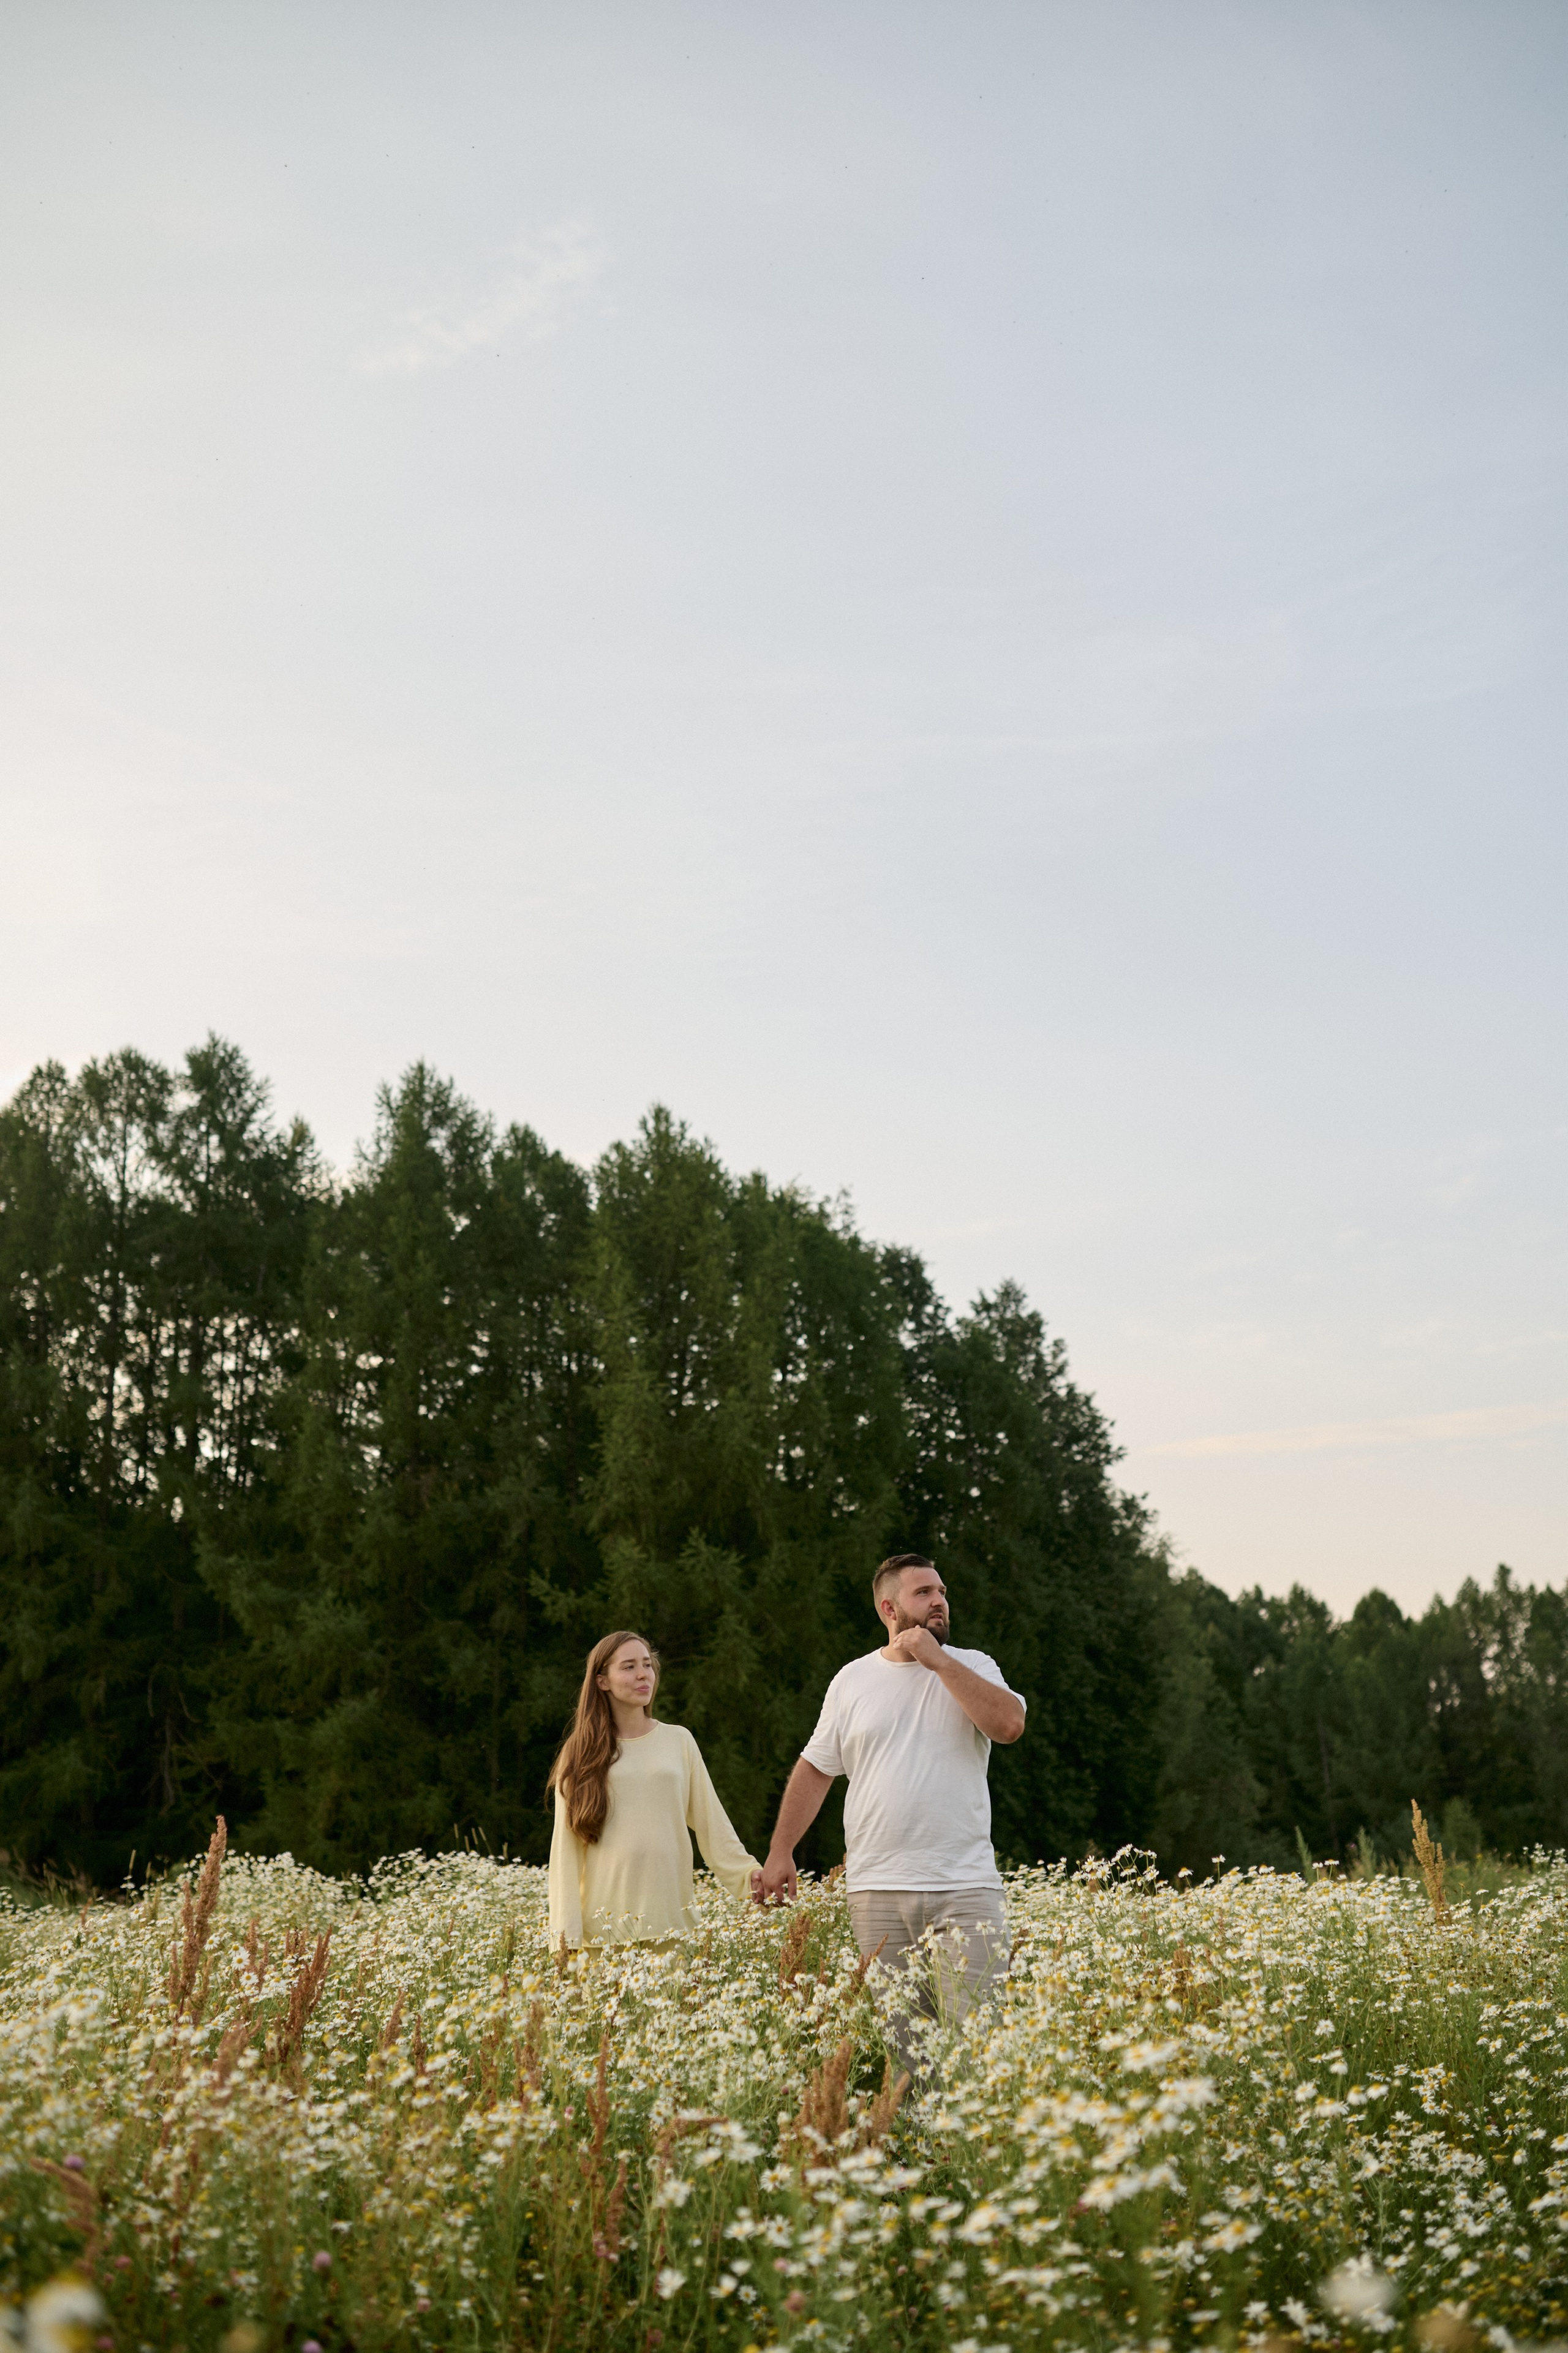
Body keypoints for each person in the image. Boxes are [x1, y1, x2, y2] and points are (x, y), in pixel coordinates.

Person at [756, 1554, 1025, 2069]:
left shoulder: (973, 1664)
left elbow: (1009, 1725)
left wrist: (940, 1663)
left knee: (978, 2056)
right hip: (877, 1893)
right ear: (889, 1608)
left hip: (965, 1889)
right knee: (907, 2063)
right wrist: (781, 1850)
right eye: (923, 1592)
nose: (940, 1600)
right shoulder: (851, 1681)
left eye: (942, 1591)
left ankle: (972, 2150)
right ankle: (919, 2151)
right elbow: (816, 1769)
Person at [547, 1628, 760, 1949]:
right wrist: (565, 1940)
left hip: (673, 1927)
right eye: (629, 1666)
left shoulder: (679, 1741)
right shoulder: (579, 1753)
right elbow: (565, 1852)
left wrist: (751, 1879)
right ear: (602, 1680)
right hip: (604, 1934)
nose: (643, 1674)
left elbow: (712, 1824)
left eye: (647, 1664)